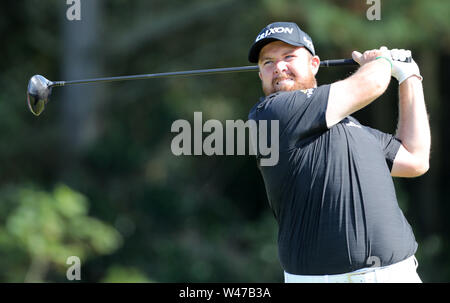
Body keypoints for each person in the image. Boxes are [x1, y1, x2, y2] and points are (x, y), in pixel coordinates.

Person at [247, 22, 430, 283]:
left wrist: (410, 77)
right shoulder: (273, 114)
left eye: (289, 56)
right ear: (261, 75)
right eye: (268, 62)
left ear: (314, 64)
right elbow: (373, 84)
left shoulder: (352, 126)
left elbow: (415, 159)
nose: (278, 67)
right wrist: (380, 60)